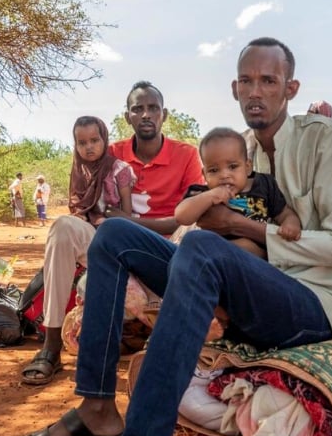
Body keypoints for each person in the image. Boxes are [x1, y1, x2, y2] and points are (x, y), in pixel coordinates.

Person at [21, 37, 332, 436]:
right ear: (233, 88)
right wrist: (204, 226)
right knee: (115, 236)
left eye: (268, 81)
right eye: (246, 81)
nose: (256, 92)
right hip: (249, 288)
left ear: (290, 88)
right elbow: (195, 218)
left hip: (311, 303)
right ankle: (96, 408)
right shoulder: (236, 152)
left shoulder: (324, 139)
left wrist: (246, 230)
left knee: (203, 252)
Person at [18, 83, 204, 385]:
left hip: (163, 255)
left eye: (153, 108)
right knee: (63, 228)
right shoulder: (108, 151)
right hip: (113, 250)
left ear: (164, 115)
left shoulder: (186, 155)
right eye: (137, 109)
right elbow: (86, 198)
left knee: (196, 233)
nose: (146, 115)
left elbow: (185, 219)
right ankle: (50, 345)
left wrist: (128, 226)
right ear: (127, 116)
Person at [175, 126, 301, 260]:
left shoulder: (264, 185)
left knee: (246, 246)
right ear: (204, 175)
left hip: (253, 256)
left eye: (233, 167)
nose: (224, 175)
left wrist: (291, 224)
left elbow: (284, 213)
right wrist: (210, 196)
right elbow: (181, 216)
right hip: (212, 253)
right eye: (213, 170)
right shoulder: (204, 193)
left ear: (247, 167)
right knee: (194, 241)